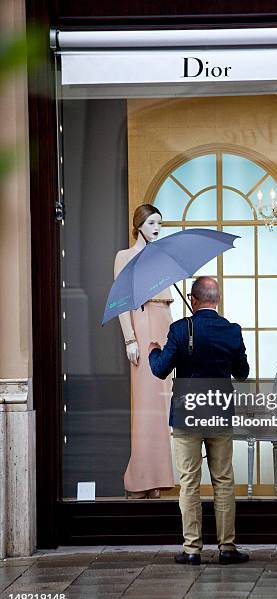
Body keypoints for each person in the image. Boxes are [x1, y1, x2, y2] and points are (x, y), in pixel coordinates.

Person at [148, 276, 250, 565]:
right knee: (224, 480)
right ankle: (227, 547)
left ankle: (192, 549)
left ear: (193, 300)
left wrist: (154, 349)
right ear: (215, 300)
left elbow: (160, 369)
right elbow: (242, 373)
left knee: (189, 482)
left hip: (187, 413)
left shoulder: (180, 329)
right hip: (219, 410)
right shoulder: (231, 331)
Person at [114, 204, 174, 499]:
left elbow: (168, 299)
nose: (156, 228)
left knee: (162, 407)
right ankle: (139, 478)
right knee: (145, 406)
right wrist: (129, 339)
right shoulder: (124, 257)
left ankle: (157, 480)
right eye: (151, 222)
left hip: (164, 322)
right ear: (139, 224)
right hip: (142, 323)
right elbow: (121, 300)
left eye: (159, 223)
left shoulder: (161, 255)